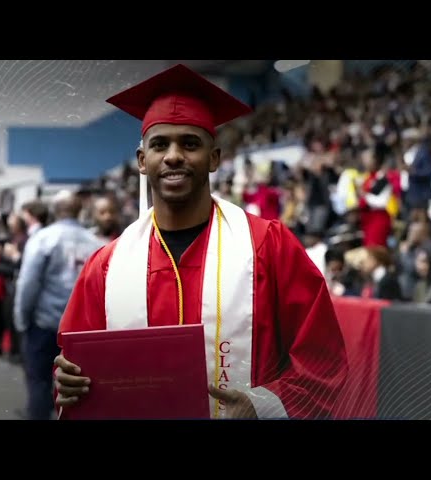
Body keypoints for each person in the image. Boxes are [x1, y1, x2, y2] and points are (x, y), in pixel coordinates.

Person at [54, 64, 348, 420]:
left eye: (190, 143)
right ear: (142, 161)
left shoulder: (268, 246)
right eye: (160, 144)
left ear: (214, 158)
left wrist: (262, 406)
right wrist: (68, 382)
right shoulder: (106, 266)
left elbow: (322, 363)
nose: (174, 155)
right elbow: (75, 370)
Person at [14, 192, 102, 420]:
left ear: (54, 211)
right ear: (79, 211)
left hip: (45, 323)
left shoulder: (43, 239)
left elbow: (28, 283)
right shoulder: (95, 242)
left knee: (39, 381)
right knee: (78, 389)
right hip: (80, 328)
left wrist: (22, 319)